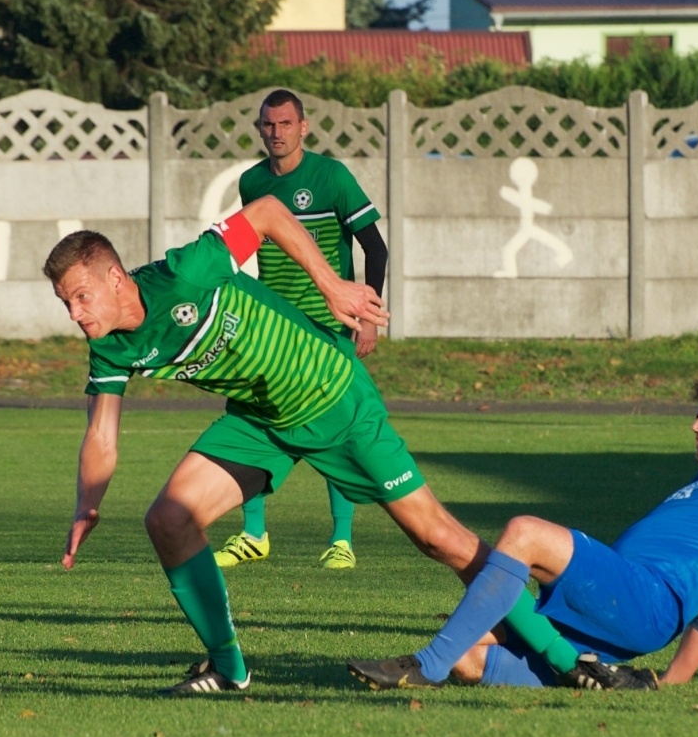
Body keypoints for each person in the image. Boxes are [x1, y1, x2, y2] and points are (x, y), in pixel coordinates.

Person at [47, 197, 631, 695]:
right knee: (170, 520)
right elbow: (101, 434)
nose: (75, 315)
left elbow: (271, 213)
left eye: (80, 297)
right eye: (65, 304)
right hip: (263, 420)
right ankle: (228, 670)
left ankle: (568, 660)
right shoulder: (111, 349)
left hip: (334, 395)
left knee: (439, 538)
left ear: (114, 277)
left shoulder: (185, 271)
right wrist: (85, 504)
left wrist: (333, 288)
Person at [346, 375, 698, 691]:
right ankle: (584, 675)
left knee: (525, 532)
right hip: (609, 611)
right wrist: (666, 684)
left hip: (641, 600)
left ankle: (423, 666)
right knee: (473, 656)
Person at [213, 89, 389, 572]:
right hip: (270, 329)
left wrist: (366, 318)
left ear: (304, 127)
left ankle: (342, 539)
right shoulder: (253, 183)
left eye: (286, 124)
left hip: (326, 327)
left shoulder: (332, 177)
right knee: (249, 417)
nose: (277, 133)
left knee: (335, 427)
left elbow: (375, 249)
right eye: (269, 125)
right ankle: (253, 534)